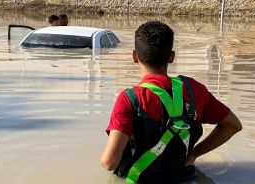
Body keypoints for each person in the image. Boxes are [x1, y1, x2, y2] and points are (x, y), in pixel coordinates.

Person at [100, 21, 242, 184]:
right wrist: (195, 154)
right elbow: (233, 125)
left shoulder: (129, 99)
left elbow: (109, 162)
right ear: (172, 57)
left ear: (134, 56)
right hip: (185, 178)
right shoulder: (194, 90)